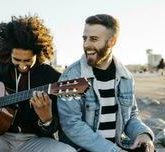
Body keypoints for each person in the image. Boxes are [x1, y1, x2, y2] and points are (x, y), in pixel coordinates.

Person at [0, 15, 76, 152]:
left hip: (33, 139)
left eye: (27, 61)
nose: (22, 66)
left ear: (38, 54)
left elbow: (55, 127)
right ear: (9, 52)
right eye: (17, 59)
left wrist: (46, 118)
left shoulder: (51, 77)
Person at [57, 14, 155, 152]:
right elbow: (71, 124)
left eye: (94, 39)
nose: (86, 45)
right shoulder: (71, 76)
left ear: (112, 41)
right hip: (81, 149)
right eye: (85, 38)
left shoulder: (125, 77)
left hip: (117, 146)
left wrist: (142, 134)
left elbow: (131, 115)